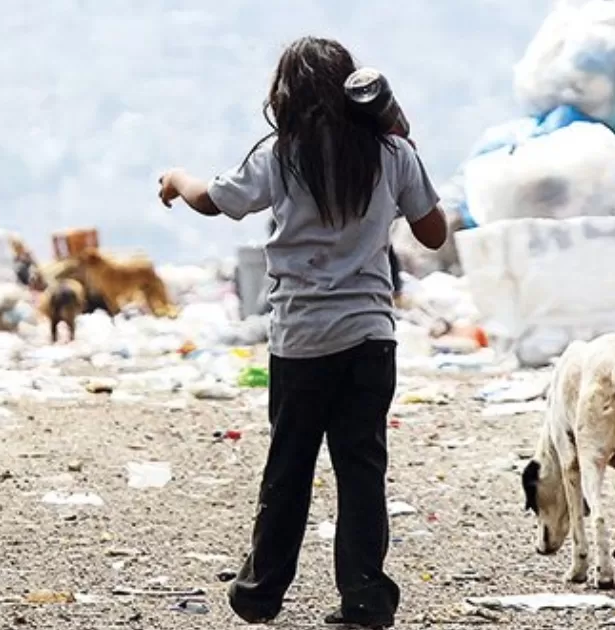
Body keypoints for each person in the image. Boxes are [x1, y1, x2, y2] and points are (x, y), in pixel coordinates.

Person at [157, 36, 446, 628]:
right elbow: (435, 233)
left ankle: (260, 593)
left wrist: (177, 179)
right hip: (370, 337)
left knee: (289, 466)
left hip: (301, 339)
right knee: (361, 468)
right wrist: (404, 140)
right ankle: (365, 600)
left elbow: (217, 202)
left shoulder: (281, 154)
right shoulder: (391, 153)